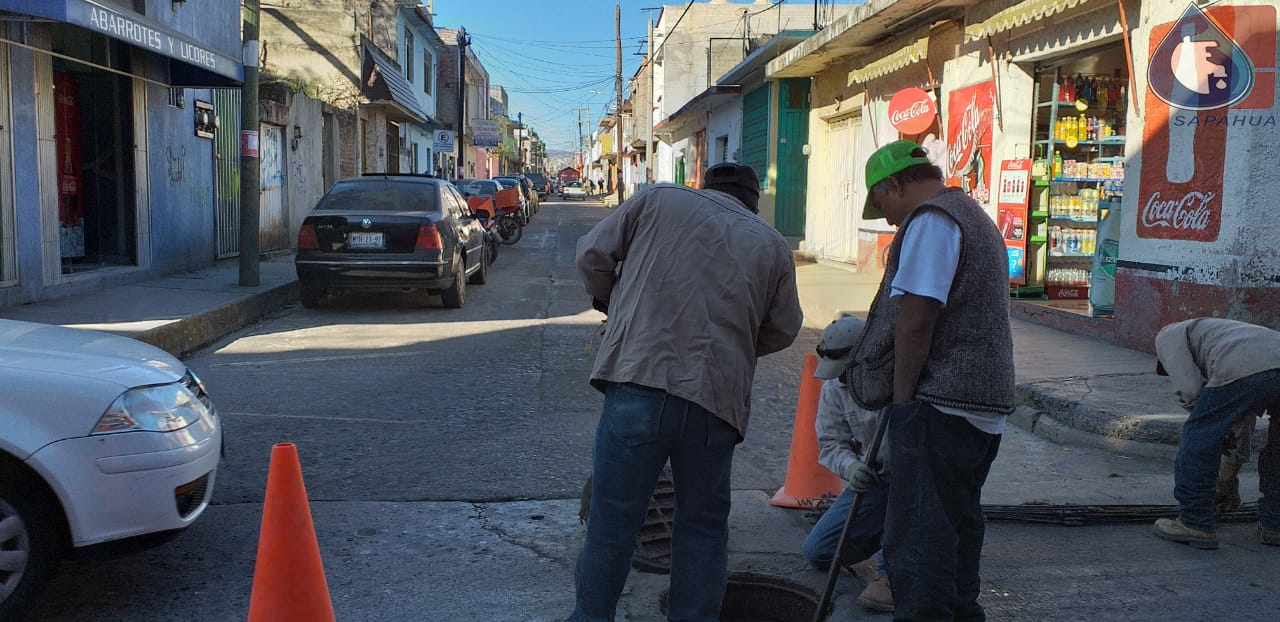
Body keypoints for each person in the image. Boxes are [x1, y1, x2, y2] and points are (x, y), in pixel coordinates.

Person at [569, 162, 803, 622]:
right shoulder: (772, 244)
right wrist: (733, 348)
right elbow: (784, 328)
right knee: (703, 532)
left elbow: (591, 256)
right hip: (715, 403)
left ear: (705, 188)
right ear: (753, 203)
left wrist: (615, 303)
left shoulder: (660, 199)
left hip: (638, 382)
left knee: (612, 523)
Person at [844, 140, 1014, 621]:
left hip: (943, 403)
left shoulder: (932, 221)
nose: (888, 220)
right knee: (956, 523)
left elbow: (916, 320)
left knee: (918, 539)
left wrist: (902, 404)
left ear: (893, 185)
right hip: (978, 405)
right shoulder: (970, 214)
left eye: (882, 205)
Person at [1152, 318, 1280, 549]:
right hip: (1266, 361)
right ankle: (1275, 525)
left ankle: (1195, 523)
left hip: (1244, 364)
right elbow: (1242, 421)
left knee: (1198, 434)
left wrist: (1203, 416)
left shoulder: (1167, 335)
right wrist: (1228, 478)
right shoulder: (1223, 332)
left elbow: (1190, 389)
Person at [803, 316, 894, 613]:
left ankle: (893, 571)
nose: (839, 378)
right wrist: (851, 467)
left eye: (843, 372)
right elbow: (831, 442)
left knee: (900, 509)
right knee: (818, 551)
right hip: (876, 480)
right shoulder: (834, 388)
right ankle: (886, 536)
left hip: (912, 481)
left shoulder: (894, 380)